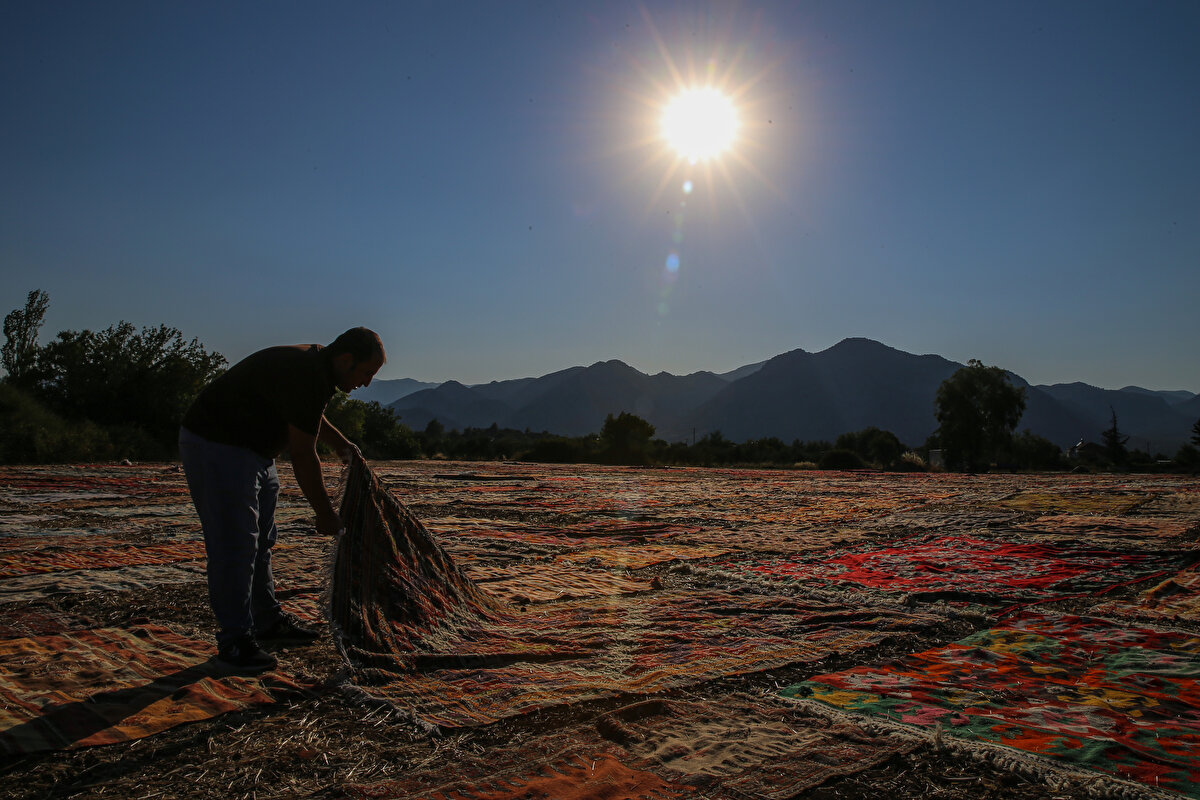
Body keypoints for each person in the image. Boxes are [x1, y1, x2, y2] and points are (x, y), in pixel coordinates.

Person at [179, 327, 385, 671]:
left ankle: (267, 622)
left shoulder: (317, 369)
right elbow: (303, 454)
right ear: (346, 360)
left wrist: (338, 443)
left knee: (261, 541)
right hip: (219, 447)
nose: (365, 383)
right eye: (366, 373)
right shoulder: (307, 372)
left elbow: (305, 414)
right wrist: (325, 513)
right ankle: (235, 642)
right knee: (236, 545)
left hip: (255, 452)